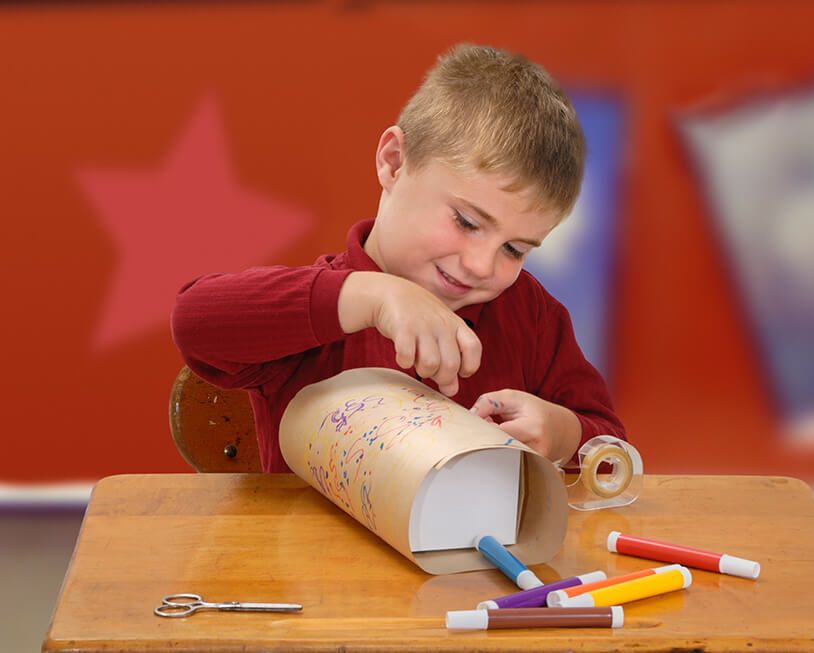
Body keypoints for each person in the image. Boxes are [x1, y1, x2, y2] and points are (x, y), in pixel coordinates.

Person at [172, 43, 625, 473]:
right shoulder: (324, 308)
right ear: (393, 162)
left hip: (482, 555)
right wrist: (372, 296)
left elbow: (612, 453)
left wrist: (564, 434)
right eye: (467, 222)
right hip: (309, 555)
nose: (482, 266)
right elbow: (195, 321)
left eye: (514, 249)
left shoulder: (531, 317)